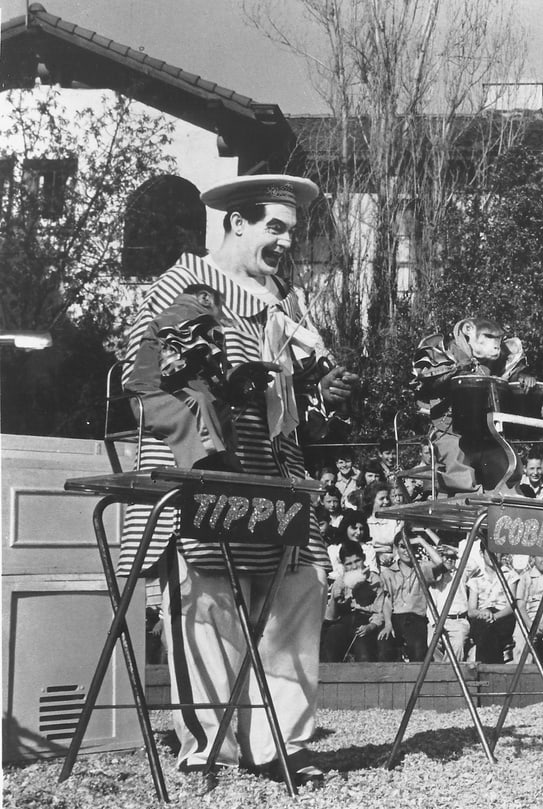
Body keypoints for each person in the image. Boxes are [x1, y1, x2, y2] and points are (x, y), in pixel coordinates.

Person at [118, 174, 358, 788]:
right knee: (210, 603)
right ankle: (211, 749)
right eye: (274, 228)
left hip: (277, 476)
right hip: (208, 474)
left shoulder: (288, 300)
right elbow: (141, 378)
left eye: (292, 233)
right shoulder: (183, 285)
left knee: (297, 595)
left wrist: (316, 388)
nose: (284, 243)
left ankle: (282, 741)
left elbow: (291, 395)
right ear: (236, 224)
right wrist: (211, 401)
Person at [410, 317, 533, 494]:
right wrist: (456, 370)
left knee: (508, 464)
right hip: (449, 430)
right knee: (458, 466)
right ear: (468, 330)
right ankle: (466, 501)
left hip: (483, 433)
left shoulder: (496, 359)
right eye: (489, 337)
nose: (496, 344)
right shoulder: (444, 350)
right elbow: (427, 381)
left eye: (498, 339)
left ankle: (510, 500)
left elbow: (511, 372)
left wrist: (524, 376)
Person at [126, 283, 242, 470]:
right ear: (205, 298)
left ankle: (222, 462)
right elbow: (176, 369)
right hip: (153, 395)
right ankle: (209, 467)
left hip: (163, 393)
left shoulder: (178, 317)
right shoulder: (184, 317)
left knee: (217, 405)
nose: (221, 316)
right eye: (221, 309)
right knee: (198, 402)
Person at [378, 530, 446, 662]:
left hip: (416, 619)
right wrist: (388, 624)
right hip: (395, 617)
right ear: (396, 548)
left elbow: (439, 561)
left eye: (412, 547)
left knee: (418, 650)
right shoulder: (388, 572)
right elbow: (387, 601)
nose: (407, 551)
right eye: (403, 546)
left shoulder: (422, 568)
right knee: (384, 649)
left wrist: (421, 541)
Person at [321, 540, 385, 663]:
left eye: (357, 561)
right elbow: (330, 617)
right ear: (343, 565)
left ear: (364, 558)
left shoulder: (375, 581)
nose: (354, 566)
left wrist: (371, 626)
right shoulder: (340, 581)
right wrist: (335, 599)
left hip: (365, 621)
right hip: (343, 621)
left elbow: (379, 610)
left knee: (365, 655)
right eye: (349, 564)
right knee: (331, 644)